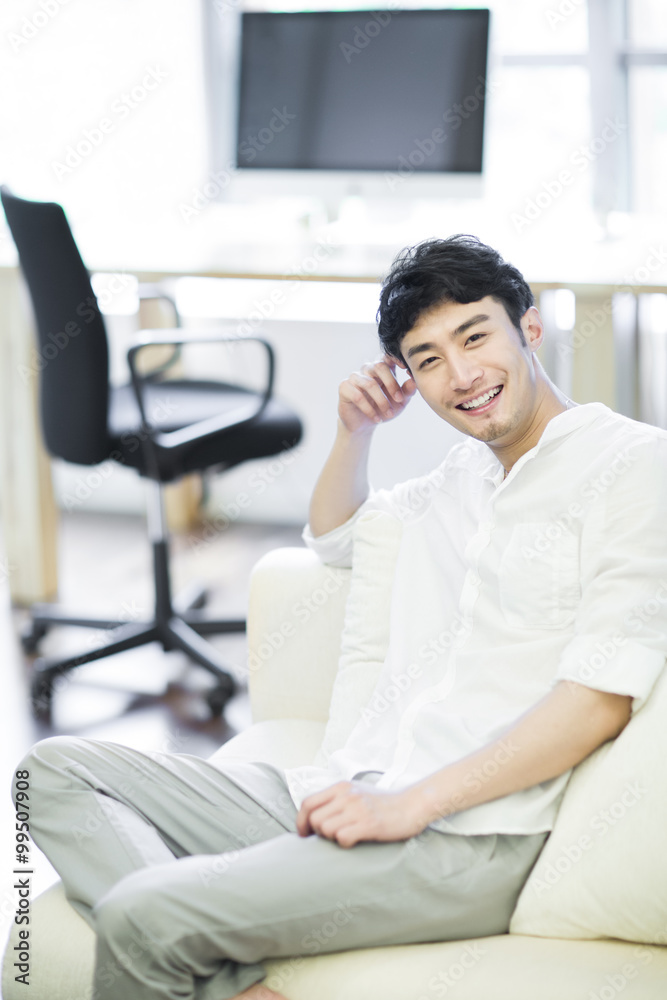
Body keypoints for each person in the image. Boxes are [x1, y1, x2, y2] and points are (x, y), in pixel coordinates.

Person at [15, 235, 667, 1000]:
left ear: (528, 328)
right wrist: (353, 432)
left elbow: (597, 698)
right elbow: (333, 536)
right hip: (345, 787)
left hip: (463, 836)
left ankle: (182, 935)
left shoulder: (631, 468)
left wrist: (409, 803)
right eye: (426, 360)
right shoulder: (463, 476)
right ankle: (235, 983)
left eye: (474, 336)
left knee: (139, 914)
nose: (460, 376)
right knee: (47, 772)